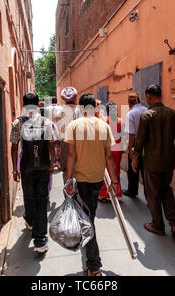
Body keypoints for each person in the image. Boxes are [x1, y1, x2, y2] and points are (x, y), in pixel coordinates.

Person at [64, 92, 118, 277]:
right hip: (97, 180)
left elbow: (71, 155)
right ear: (95, 107)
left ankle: (94, 267)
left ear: (80, 107)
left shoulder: (74, 125)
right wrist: (115, 180)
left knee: (88, 222)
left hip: (81, 179)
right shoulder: (104, 126)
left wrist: (68, 179)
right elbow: (109, 156)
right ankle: (91, 262)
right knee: (89, 217)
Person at [132, 85, 175, 236]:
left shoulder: (147, 116)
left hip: (152, 162)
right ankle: (174, 223)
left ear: (148, 96)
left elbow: (139, 140)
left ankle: (157, 225)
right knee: (166, 189)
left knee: (153, 193)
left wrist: (134, 158)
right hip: (168, 161)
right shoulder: (174, 114)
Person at [10, 92, 56, 254]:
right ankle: (40, 239)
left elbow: (14, 148)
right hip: (43, 167)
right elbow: (51, 145)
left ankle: (31, 222)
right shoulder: (47, 122)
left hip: (26, 167)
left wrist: (15, 170)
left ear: (23, 105)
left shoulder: (18, 123)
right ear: (38, 105)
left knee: (29, 198)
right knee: (41, 201)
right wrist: (52, 163)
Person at [123, 93, 147, 197]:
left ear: (129, 102)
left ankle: (132, 191)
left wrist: (130, 150)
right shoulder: (146, 110)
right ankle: (149, 196)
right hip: (147, 147)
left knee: (133, 170)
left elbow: (131, 134)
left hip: (136, 145)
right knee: (146, 172)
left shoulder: (131, 113)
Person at [98, 101, 123, 201]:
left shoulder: (102, 120)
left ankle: (104, 193)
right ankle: (116, 192)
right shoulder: (121, 120)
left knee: (105, 171)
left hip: (106, 147)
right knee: (116, 170)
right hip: (117, 148)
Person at [59, 87, 82, 184]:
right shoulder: (79, 111)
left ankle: (68, 195)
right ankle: (76, 196)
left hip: (64, 145)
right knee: (78, 170)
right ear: (76, 98)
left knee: (66, 171)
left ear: (64, 99)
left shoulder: (59, 112)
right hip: (78, 145)